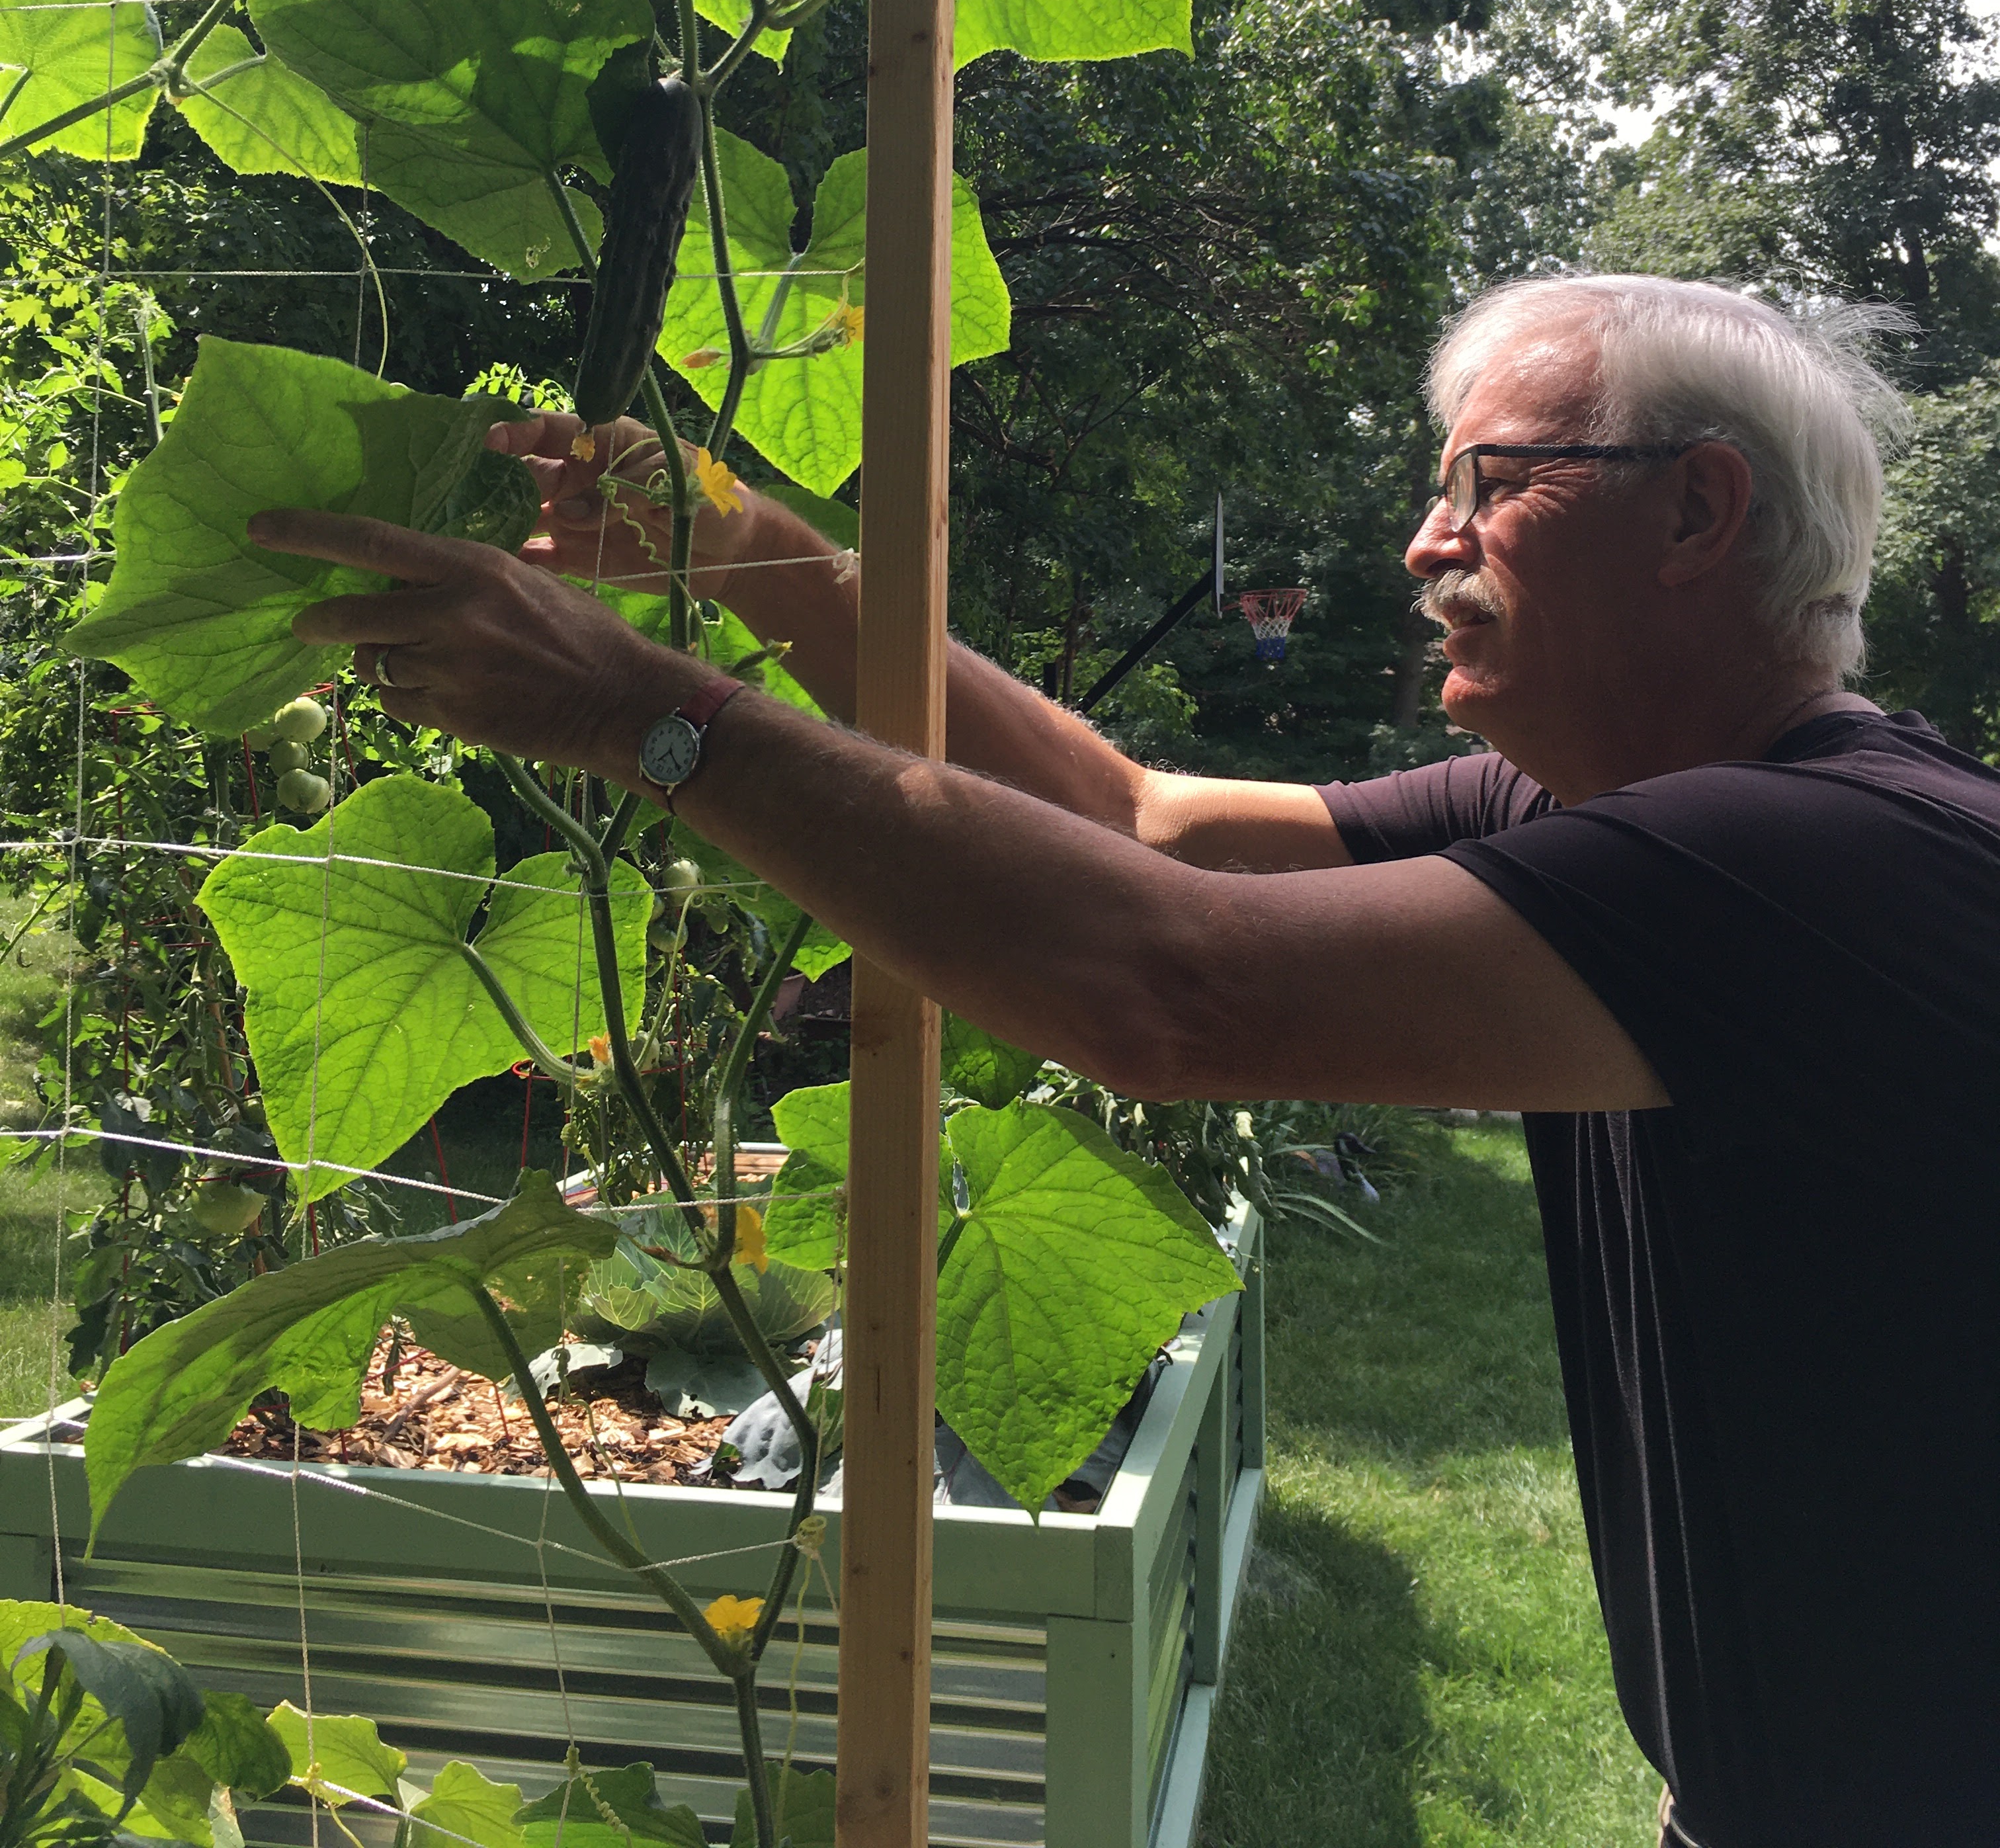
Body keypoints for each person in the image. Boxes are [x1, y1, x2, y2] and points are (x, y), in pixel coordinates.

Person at [246, 273, 2000, 1848]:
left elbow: (1179, 987)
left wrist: (636, 707)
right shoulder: (1614, 810)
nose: (1425, 543)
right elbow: (1146, 822)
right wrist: (744, 545)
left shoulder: (1833, 859)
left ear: (1697, 510)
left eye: (1489, 482)